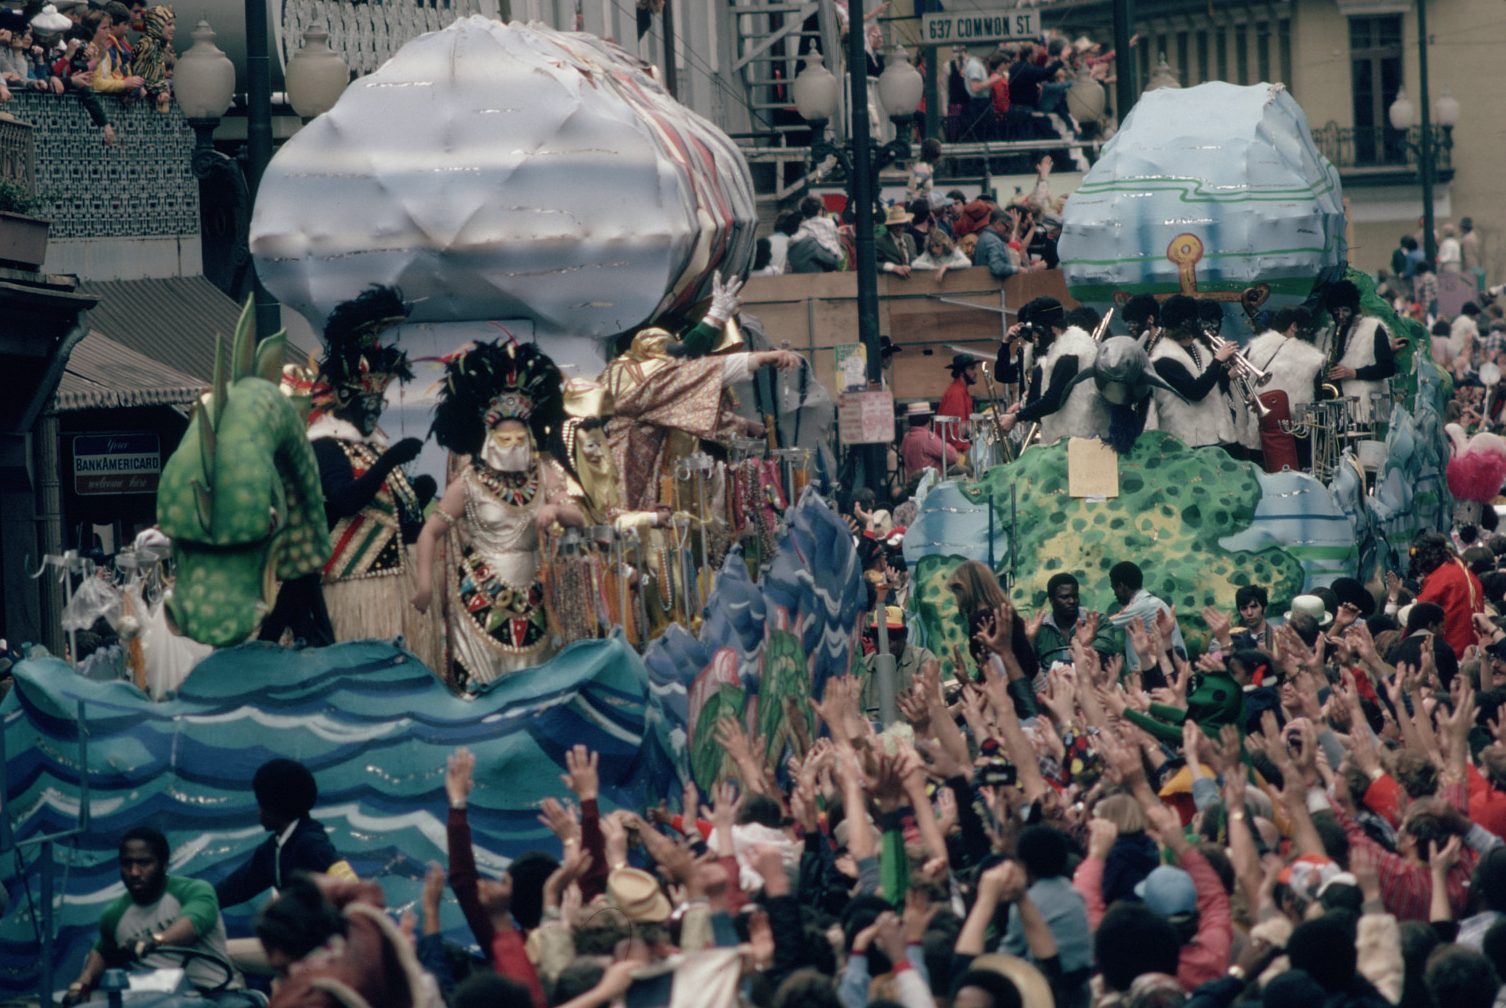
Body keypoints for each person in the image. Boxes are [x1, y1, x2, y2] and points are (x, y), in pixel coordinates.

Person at [411, 341, 587, 687]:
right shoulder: (469, 482)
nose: (514, 446)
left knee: (535, 685)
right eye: (505, 440)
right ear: (489, 439)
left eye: (520, 439)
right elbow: (429, 532)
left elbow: (578, 517)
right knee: (481, 688)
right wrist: (424, 585)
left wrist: (555, 508)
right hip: (479, 597)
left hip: (535, 597)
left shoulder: (543, 473)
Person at [64, 826, 243, 1004]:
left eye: (144, 863)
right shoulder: (114, 914)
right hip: (152, 1000)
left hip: (216, 994)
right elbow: (102, 952)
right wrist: (81, 985)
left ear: (164, 864)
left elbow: (192, 924)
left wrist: (155, 940)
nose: (134, 872)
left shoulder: (196, 891)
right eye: (127, 864)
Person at [215, 759, 357, 911]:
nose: (259, 811)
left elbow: (352, 891)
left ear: (275, 806)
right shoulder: (272, 850)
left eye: (261, 803)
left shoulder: (311, 844)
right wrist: (204, 898)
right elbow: (234, 887)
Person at [998, 296, 1109, 446]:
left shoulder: (1069, 354)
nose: (1035, 337)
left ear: (1046, 327)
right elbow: (1003, 374)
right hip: (1073, 436)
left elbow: (1052, 400)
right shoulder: (1069, 345)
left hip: (1075, 438)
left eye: (1036, 331)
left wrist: (1016, 417)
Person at [1146, 294, 1237, 449]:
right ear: (1186, 324)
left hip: (1211, 435)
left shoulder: (1197, 349)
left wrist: (1226, 373)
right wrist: (1218, 361)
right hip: (1186, 440)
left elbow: (1213, 390)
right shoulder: (1163, 359)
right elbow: (1195, 392)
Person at [1243, 305, 1325, 472]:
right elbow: (1317, 398)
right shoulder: (1313, 358)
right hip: (1295, 430)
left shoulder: (1253, 348)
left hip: (1258, 426)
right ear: (1293, 326)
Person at [1410, 531, 1485, 659]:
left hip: (1452, 651)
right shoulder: (1462, 570)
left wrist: (1401, 643)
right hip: (1473, 648)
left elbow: (1418, 616)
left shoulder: (1442, 577)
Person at [1106, 560, 1185, 674]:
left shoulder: (1143, 606)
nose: (1115, 594)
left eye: (1114, 589)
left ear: (1122, 586)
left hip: (1164, 673)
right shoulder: (1150, 602)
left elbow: (1102, 625)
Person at [1031, 572, 1119, 671]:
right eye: (1065, 597)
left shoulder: (1099, 622)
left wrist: (1086, 645)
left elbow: (1102, 657)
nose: (1072, 601)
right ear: (1051, 600)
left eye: (1075, 596)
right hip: (1052, 680)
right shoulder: (1040, 629)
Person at [859, 604, 934, 717]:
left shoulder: (922, 659)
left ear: (905, 634)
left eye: (893, 634)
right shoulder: (863, 667)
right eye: (878, 634)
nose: (886, 640)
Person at [899, 401, 964, 477]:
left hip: (913, 481)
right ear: (929, 421)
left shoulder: (906, 438)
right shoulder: (928, 437)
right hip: (930, 482)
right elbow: (952, 456)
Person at [937, 355, 977, 454]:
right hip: (955, 452)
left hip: (956, 449)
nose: (975, 373)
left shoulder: (960, 391)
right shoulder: (956, 393)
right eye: (971, 369)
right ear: (962, 372)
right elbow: (953, 429)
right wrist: (966, 449)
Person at [971, 208, 1020, 280]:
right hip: (991, 284)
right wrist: (1017, 269)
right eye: (1007, 228)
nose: (1008, 232)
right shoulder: (992, 240)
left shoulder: (986, 236)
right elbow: (996, 267)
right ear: (998, 224)